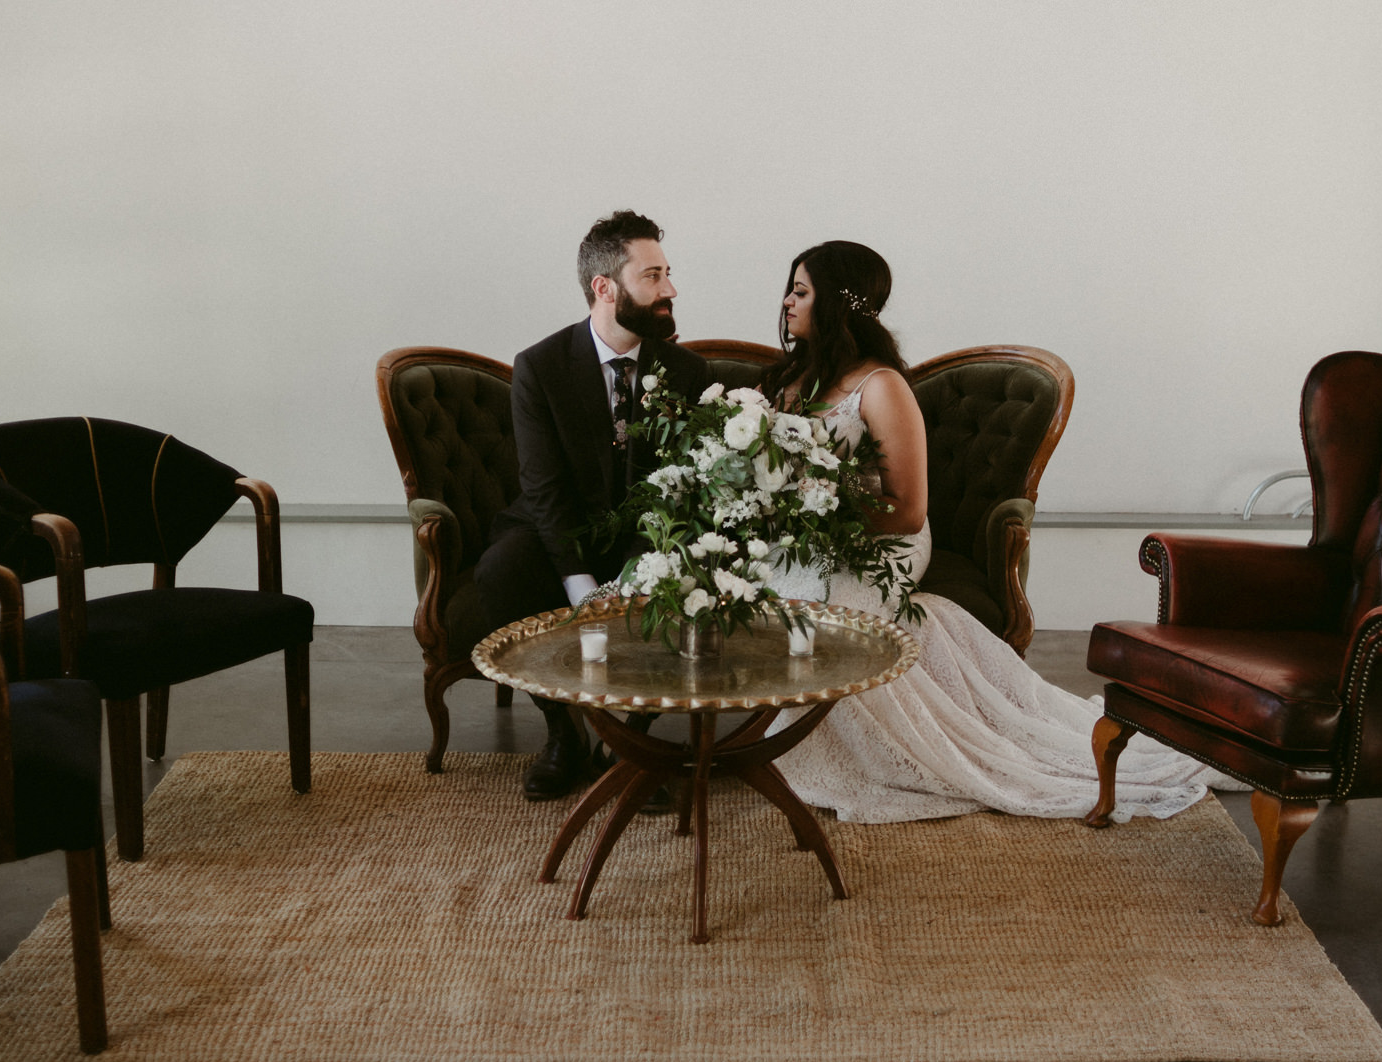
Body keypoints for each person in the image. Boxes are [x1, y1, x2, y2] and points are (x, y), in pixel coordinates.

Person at [764, 241, 1239, 823]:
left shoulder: (882, 386)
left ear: (837, 303)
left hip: (881, 543)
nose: (787, 301)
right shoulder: (791, 380)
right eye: (790, 287)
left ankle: (873, 756)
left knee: (822, 619)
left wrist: (816, 509)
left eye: (802, 290)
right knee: (763, 603)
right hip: (806, 537)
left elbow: (909, 511)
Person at [477, 212, 711, 800]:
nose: (671, 290)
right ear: (605, 287)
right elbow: (543, 487)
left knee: (689, 569)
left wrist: (639, 567)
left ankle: (629, 741)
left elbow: (674, 487)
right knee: (501, 570)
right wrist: (580, 583)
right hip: (555, 525)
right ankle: (564, 735)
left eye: (668, 274)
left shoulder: (686, 372)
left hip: (643, 531)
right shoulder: (540, 366)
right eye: (653, 276)